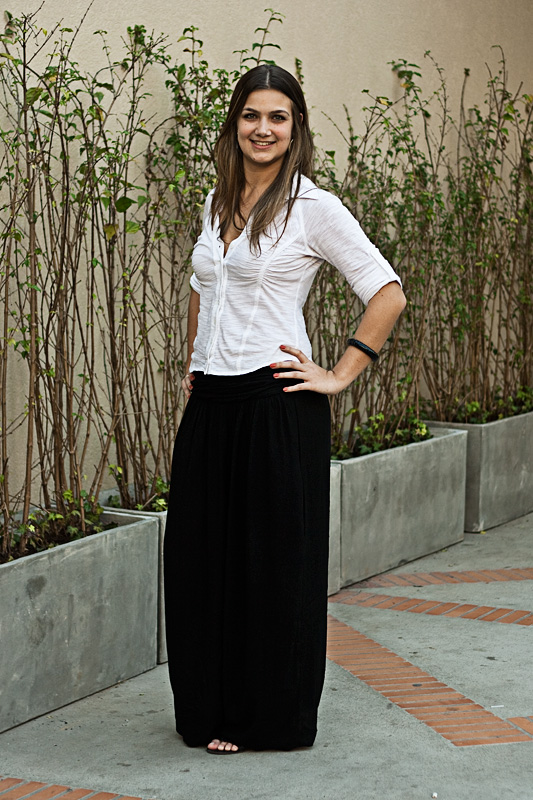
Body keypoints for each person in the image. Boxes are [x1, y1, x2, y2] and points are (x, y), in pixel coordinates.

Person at [163, 63, 406, 755]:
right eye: (250, 115)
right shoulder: (217, 200)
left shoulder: (313, 208)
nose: (262, 129)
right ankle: (207, 708)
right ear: (233, 123)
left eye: (277, 117)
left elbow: (386, 291)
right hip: (211, 402)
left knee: (270, 569)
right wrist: (193, 358)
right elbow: (200, 285)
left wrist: (339, 373)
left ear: (295, 127)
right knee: (199, 564)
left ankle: (265, 718)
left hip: (276, 403)